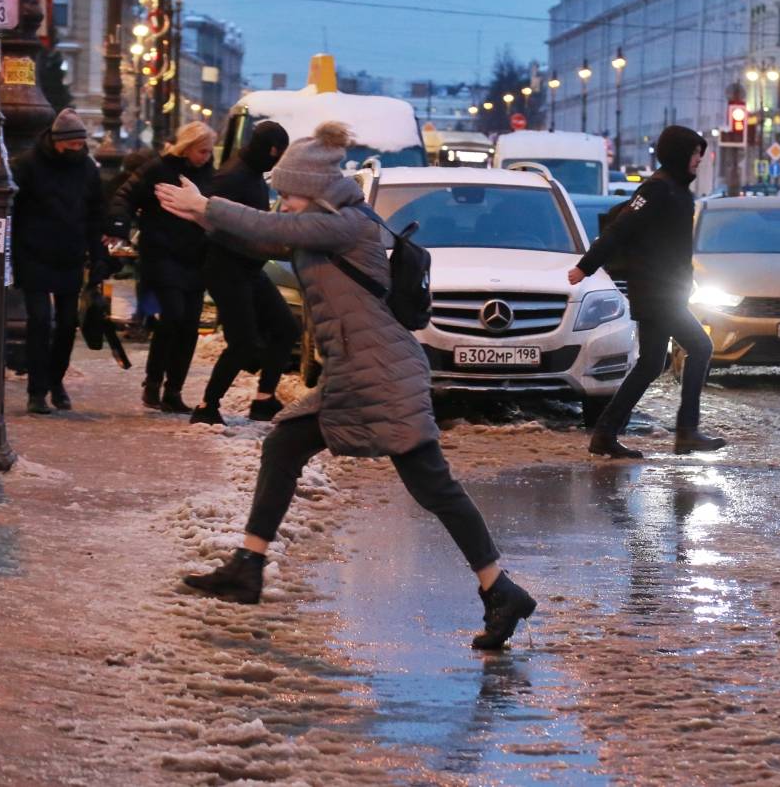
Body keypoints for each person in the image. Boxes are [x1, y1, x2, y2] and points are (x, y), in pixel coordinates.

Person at [154, 122, 537, 651]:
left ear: (312, 191)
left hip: (379, 372)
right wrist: (205, 218)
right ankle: (248, 564)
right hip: (363, 370)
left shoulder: (345, 224)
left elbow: (274, 227)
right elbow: (267, 236)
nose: (283, 203)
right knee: (286, 446)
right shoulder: (326, 223)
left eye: (288, 194)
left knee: (433, 486)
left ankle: (500, 589)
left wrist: (207, 205)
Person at [568, 125, 726, 459]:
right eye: (695, 154)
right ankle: (687, 431)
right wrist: (585, 266)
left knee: (651, 363)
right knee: (700, 347)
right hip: (657, 293)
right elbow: (620, 229)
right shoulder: (657, 189)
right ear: (679, 154)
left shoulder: (677, 190)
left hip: (667, 291)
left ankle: (605, 434)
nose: (699, 160)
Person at [191, 120, 299, 425]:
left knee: (285, 328)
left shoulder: (250, 172)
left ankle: (264, 400)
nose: (277, 161)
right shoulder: (233, 176)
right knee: (243, 343)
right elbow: (205, 219)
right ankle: (206, 407)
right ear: (271, 150)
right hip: (226, 269)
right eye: (277, 154)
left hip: (249, 267)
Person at [109, 121, 216, 413]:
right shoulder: (158, 169)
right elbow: (125, 195)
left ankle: (173, 390)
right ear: (187, 147)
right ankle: (153, 382)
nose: (206, 157)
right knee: (173, 316)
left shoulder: (210, 174)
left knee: (190, 326)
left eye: (209, 152)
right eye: (202, 151)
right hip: (162, 254)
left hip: (195, 257)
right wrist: (118, 226)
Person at [10, 108, 107, 414]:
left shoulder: (87, 168)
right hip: (34, 253)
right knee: (39, 322)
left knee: (67, 324)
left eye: (81, 144)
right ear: (57, 140)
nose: (77, 149)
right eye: (72, 144)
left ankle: (56, 380)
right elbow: (13, 210)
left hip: (70, 254)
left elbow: (95, 214)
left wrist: (98, 255)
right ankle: (37, 390)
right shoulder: (27, 165)